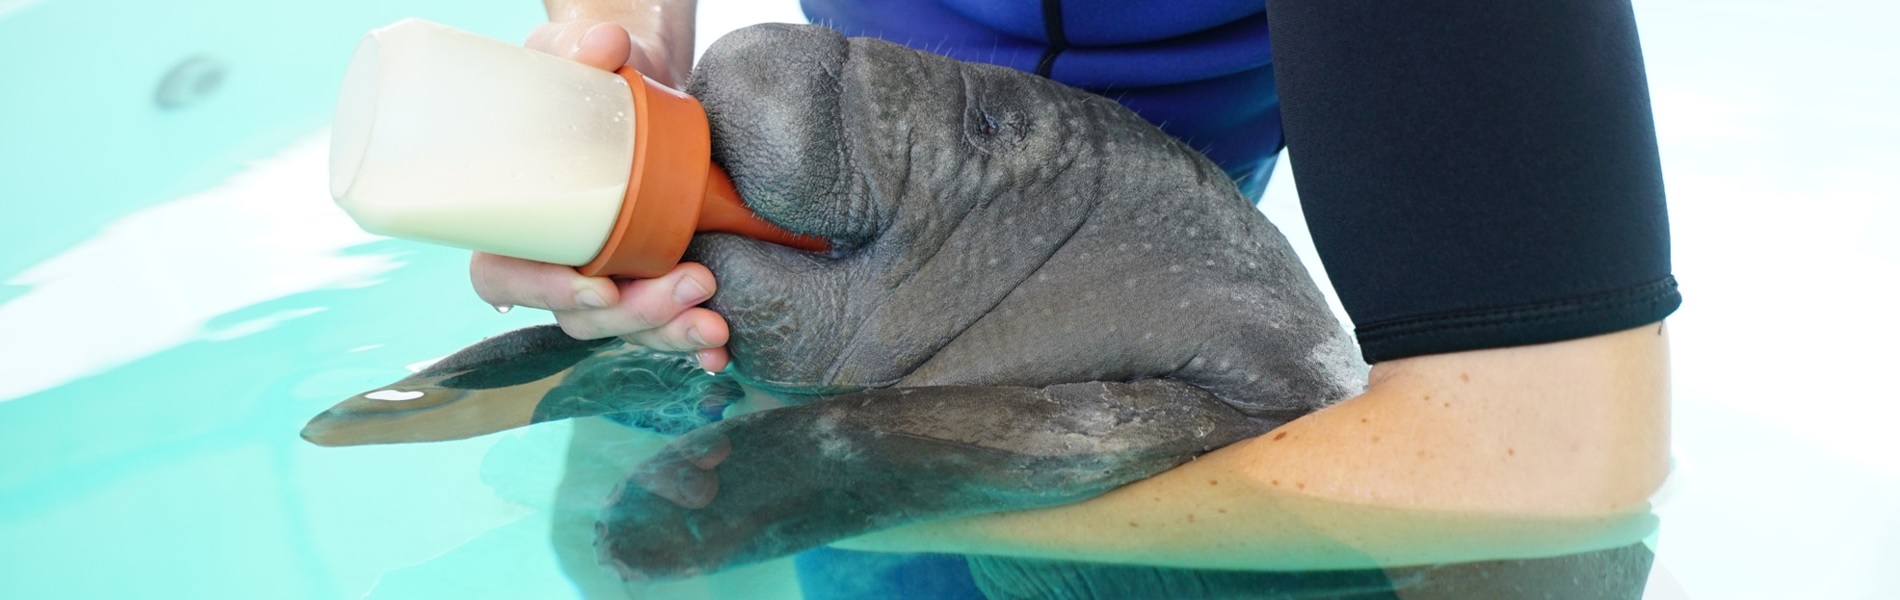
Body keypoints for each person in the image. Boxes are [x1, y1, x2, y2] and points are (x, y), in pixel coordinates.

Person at [473, 0, 1678, 596]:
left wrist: (859, 499)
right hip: (901, 201)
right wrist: (616, 74)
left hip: (1132, 235)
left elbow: (1564, 468)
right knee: (615, 509)